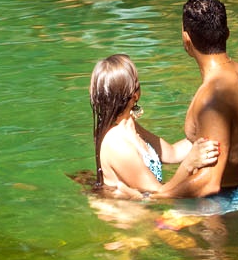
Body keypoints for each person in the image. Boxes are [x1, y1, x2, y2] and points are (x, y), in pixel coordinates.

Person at [169, 0, 238, 201]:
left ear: (187, 40)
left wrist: (154, 196)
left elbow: (209, 182)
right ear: (227, 34)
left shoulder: (212, 97)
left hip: (218, 207)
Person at [88, 55, 222, 198]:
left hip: (149, 207)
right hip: (136, 217)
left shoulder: (130, 126)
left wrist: (209, 133)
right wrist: (189, 164)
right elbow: (159, 194)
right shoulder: (117, 143)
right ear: (135, 96)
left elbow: (173, 153)